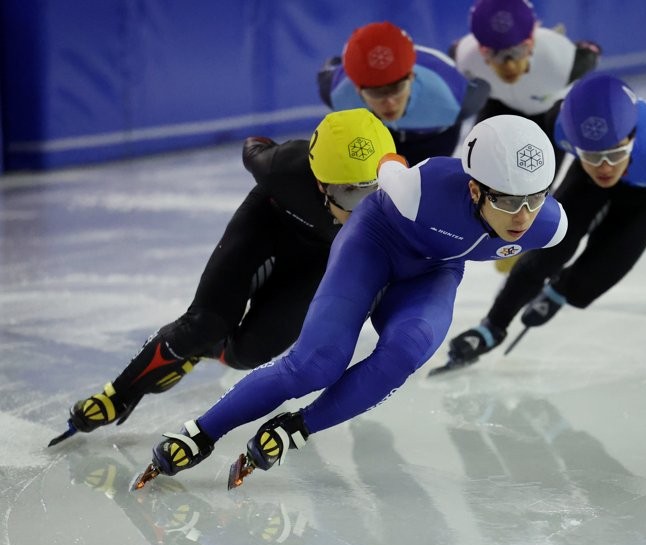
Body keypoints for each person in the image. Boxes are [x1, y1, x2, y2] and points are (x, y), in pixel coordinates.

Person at [132, 114, 568, 489]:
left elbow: (547, 225)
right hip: (374, 243)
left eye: (535, 199)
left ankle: (296, 428)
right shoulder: (421, 188)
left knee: (409, 348)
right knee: (316, 364)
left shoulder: (548, 226)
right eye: (508, 201)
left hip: (433, 270)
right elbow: (388, 165)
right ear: (474, 190)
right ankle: (201, 433)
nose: (523, 216)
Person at [56, 109, 396, 445]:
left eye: (375, 191)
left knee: (246, 355)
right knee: (204, 323)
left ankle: (202, 350)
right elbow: (255, 145)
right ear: (320, 182)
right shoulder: (281, 168)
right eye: (349, 194)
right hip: (267, 227)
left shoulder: (402, 195)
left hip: (317, 262)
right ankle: (118, 395)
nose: (363, 209)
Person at [442, 73, 646, 369]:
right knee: (549, 246)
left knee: (607, 265)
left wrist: (563, 291)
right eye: (591, 155)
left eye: (614, 154)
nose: (604, 167)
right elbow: (548, 162)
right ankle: (493, 327)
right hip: (585, 181)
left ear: (633, 139)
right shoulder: (560, 123)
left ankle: (561, 291)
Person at [317, 21, 490, 166]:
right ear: (357, 89)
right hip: (381, 133)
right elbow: (333, 64)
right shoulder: (337, 91)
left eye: (396, 88)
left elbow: (483, 85)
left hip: (432, 139)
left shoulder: (452, 99)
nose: (390, 102)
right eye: (377, 93)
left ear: (411, 77)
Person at [451, 0, 601, 149]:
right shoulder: (465, 58)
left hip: (549, 112)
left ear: (531, 43)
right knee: (477, 159)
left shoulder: (562, 62)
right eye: (495, 53)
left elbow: (590, 53)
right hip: (501, 104)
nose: (509, 66)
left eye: (517, 51)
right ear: (480, 50)